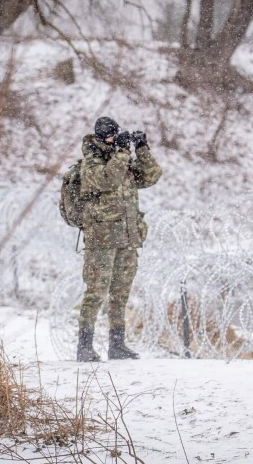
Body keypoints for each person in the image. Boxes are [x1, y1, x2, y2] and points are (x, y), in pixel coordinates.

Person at [76, 116, 162, 361]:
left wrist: (141, 149)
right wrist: (123, 152)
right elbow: (107, 180)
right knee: (96, 291)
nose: (115, 140)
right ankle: (84, 346)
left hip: (127, 237)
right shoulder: (91, 162)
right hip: (102, 240)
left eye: (118, 136)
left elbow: (152, 175)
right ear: (102, 137)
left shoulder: (120, 160)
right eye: (112, 137)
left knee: (120, 293)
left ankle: (117, 344)